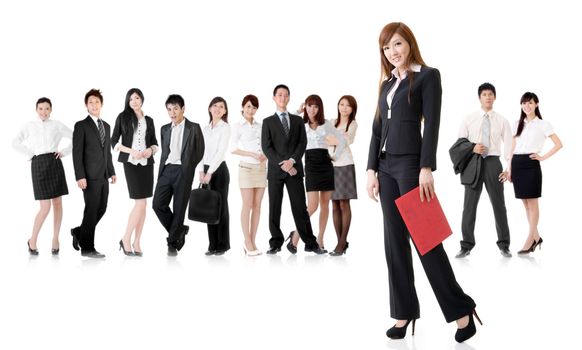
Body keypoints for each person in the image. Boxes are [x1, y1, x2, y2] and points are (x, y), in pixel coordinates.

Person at [366, 22, 478, 343]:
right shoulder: (386, 84)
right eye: (387, 48)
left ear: (409, 44)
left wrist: (426, 166)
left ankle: (461, 311)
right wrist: (372, 169)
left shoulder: (428, 76)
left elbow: (433, 125)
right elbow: (377, 129)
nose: (392, 52)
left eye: (397, 45)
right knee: (394, 243)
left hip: (411, 167)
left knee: (427, 240)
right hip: (386, 169)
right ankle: (404, 313)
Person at [261, 84, 326, 255]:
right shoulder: (267, 122)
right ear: (274, 97)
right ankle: (275, 242)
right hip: (276, 172)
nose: (283, 98)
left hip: (295, 170)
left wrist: (291, 161)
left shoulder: (297, 121)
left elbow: (302, 144)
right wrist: (283, 164)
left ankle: (310, 243)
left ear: (289, 98)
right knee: (274, 208)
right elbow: (266, 147)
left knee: (299, 208)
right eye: (279, 95)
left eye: (286, 95)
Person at [455, 82, 513, 258]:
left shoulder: (502, 120)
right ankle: (466, 245)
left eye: (490, 94)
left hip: (493, 163)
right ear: (479, 97)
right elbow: (459, 143)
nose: (488, 97)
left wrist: (508, 168)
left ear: (495, 97)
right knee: (469, 206)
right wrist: (472, 148)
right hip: (474, 162)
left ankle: (504, 244)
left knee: (499, 205)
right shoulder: (469, 118)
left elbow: (509, 146)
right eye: (484, 94)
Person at [501, 92, 562, 254]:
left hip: (531, 164)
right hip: (517, 164)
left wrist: (542, 157)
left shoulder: (543, 124)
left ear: (537, 104)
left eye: (530, 103)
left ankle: (530, 239)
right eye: (524, 103)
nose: (526, 106)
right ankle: (536, 236)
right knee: (525, 205)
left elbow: (558, 144)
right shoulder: (517, 124)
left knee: (533, 204)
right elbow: (512, 148)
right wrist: (509, 168)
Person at [13, 97, 72, 255]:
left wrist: (64, 152)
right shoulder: (29, 126)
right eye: (41, 108)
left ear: (51, 110)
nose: (44, 111)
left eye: (47, 108)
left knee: (58, 203)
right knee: (45, 207)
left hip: (54, 162)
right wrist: (31, 154)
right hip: (38, 164)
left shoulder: (57, 124)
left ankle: (55, 239)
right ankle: (32, 240)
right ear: (36, 110)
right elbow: (15, 142)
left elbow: (75, 137)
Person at [288, 94, 345, 253]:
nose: (312, 109)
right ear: (305, 107)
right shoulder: (300, 123)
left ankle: (320, 238)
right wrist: (298, 111)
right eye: (309, 105)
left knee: (325, 204)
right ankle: (296, 235)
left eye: (315, 106)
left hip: (326, 164)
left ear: (319, 108)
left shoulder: (326, 124)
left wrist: (335, 156)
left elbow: (341, 139)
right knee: (312, 206)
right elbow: (286, 122)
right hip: (311, 165)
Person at [153, 94, 204, 256]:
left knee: (179, 208)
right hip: (166, 170)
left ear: (183, 109)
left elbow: (200, 151)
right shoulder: (164, 129)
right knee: (157, 205)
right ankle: (178, 231)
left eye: (175, 108)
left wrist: (188, 167)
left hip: (183, 171)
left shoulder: (194, 127)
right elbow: (165, 151)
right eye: (169, 109)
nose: (172, 112)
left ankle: (172, 243)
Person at [111, 88, 158, 256]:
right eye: (131, 99)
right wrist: (131, 151)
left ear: (142, 99)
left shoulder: (150, 120)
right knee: (140, 203)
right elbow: (114, 142)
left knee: (144, 205)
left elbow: (155, 144)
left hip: (147, 164)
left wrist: (150, 151)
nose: (134, 101)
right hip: (131, 163)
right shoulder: (122, 117)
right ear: (128, 102)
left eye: (137, 98)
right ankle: (125, 238)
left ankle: (137, 241)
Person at [71, 89, 116, 258]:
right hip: (89, 177)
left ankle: (79, 232)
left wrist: (111, 172)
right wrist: (80, 176)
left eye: (97, 102)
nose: (94, 105)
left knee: (102, 208)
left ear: (101, 104)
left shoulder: (107, 126)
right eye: (90, 102)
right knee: (91, 210)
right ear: (86, 105)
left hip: (104, 176)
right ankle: (87, 247)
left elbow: (107, 153)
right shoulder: (81, 125)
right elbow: (77, 153)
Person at [230, 94, 266, 256]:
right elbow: (232, 148)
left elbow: (267, 144)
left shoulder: (261, 125)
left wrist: (265, 155)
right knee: (247, 204)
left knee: (258, 206)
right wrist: (251, 154)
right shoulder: (238, 126)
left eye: (254, 107)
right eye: (248, 106)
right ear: (243, 107)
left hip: (261, 168)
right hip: (246, 168)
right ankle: (247, 240)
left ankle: (252, 241)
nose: (251, 110)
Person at [198, 97, 231, 256]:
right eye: (215, 106)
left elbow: (220, 152)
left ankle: (222, 245)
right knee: (209, 209)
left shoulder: (225, 128)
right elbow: (200, 152)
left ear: (225, 111)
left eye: (221, 107)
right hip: (205, 170)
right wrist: (201, 171)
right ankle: (212, 245)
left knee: (221, 208)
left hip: (219, 171)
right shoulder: (204, 129)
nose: (217, 109)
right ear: (210, 108)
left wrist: (210, 172)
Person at [330, 95, 358, 256]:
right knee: (334, 205)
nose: (344, 107)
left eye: (348, 105)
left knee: (343, 204)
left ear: (352, 109)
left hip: (345, 165)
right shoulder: (331, 122)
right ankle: (340, 241)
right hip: (330, 166)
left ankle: (342, 242)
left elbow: (347, 141)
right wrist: (337, 139)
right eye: (341, 104)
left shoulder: (352, 124)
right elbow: (322, 139)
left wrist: (335, 139)